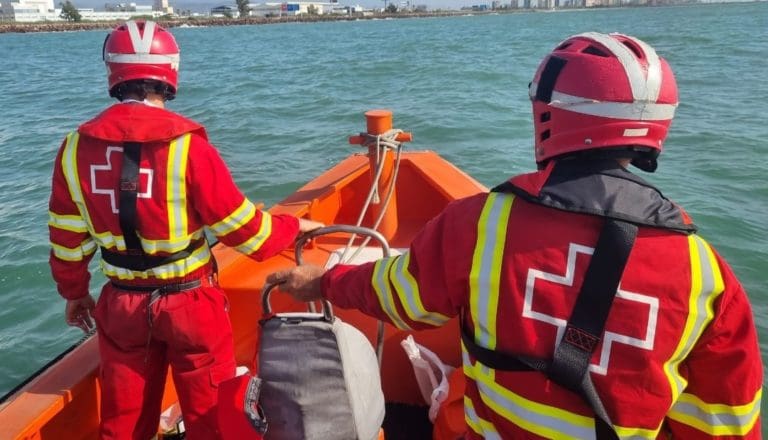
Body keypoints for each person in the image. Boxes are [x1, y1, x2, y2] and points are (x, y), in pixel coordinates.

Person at [267, 32, 762, 439]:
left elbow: (402, 300)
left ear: (549, 114)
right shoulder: (705, 271)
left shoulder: (482, 223)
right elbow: (726, 421)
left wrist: (321, 282)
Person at [47, 20, 322, 439]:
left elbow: (66, 240)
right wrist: (293, 226)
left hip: (121, 307)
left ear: (112, 72)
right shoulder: (187, 145)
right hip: (191, 306)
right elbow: (248, 234)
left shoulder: (73, 148)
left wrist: (75, 294)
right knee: (212, 418)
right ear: (170, 72)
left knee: (123, 422)